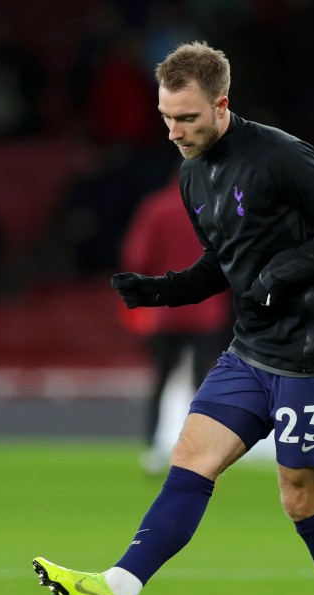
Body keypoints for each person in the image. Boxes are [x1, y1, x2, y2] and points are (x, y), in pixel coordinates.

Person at [33, 41, 314, 595]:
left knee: (302, 497)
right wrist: (162, 291)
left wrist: (281, 275)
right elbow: (225, 262)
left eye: (187, 118)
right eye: (166, 118)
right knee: (191, 455)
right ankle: (117, 587)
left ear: (222, 106)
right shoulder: (192, 172)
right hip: (252, 350)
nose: (175, 132)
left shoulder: (280, 155)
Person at [119, 174, 231, 473]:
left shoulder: (156, 208)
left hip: (166, 309)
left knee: (161, 379)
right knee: (203, 383)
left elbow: (136, 256)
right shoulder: (215, 208)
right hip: (206, 311)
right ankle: (204, 451)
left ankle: (153, 449)